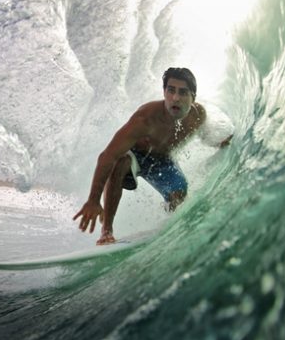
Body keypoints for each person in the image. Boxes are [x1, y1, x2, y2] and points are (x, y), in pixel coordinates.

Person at [73, 67, 232, 245]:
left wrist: (221, 142)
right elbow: (107, 156)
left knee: (179, 194)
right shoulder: (145, 119)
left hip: (162, 161)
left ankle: (169, 225)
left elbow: (206, 136)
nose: (176, 98)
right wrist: (93, 200)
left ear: (193, 97)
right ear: (164, 92)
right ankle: (107, 231)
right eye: (170, 90)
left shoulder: (197, 116)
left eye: (183, 92)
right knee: (120, 162)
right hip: (135, 156)